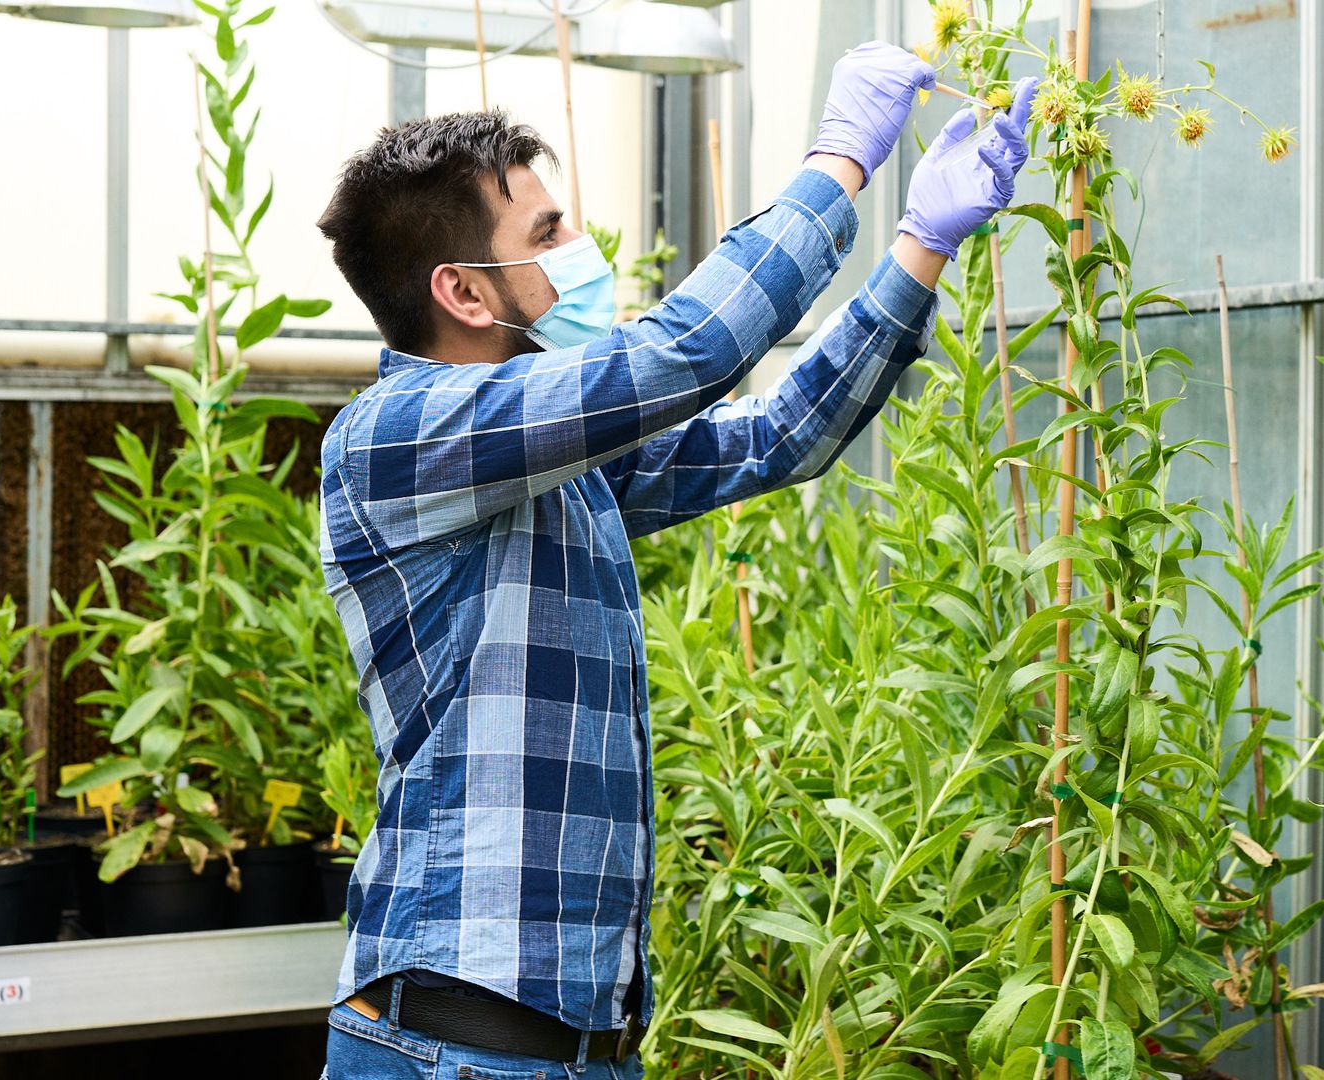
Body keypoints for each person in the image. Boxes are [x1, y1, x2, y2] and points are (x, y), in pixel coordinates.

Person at [310, 39, 1038, 1080]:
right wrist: (840, 164)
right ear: (465, 293)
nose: (580, 248)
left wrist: (919, 245)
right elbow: (683, 354)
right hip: (453, 1052)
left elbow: (778, 437)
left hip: (578, 1049)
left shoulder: (554, 460)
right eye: (548, 232)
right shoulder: (399, 438)